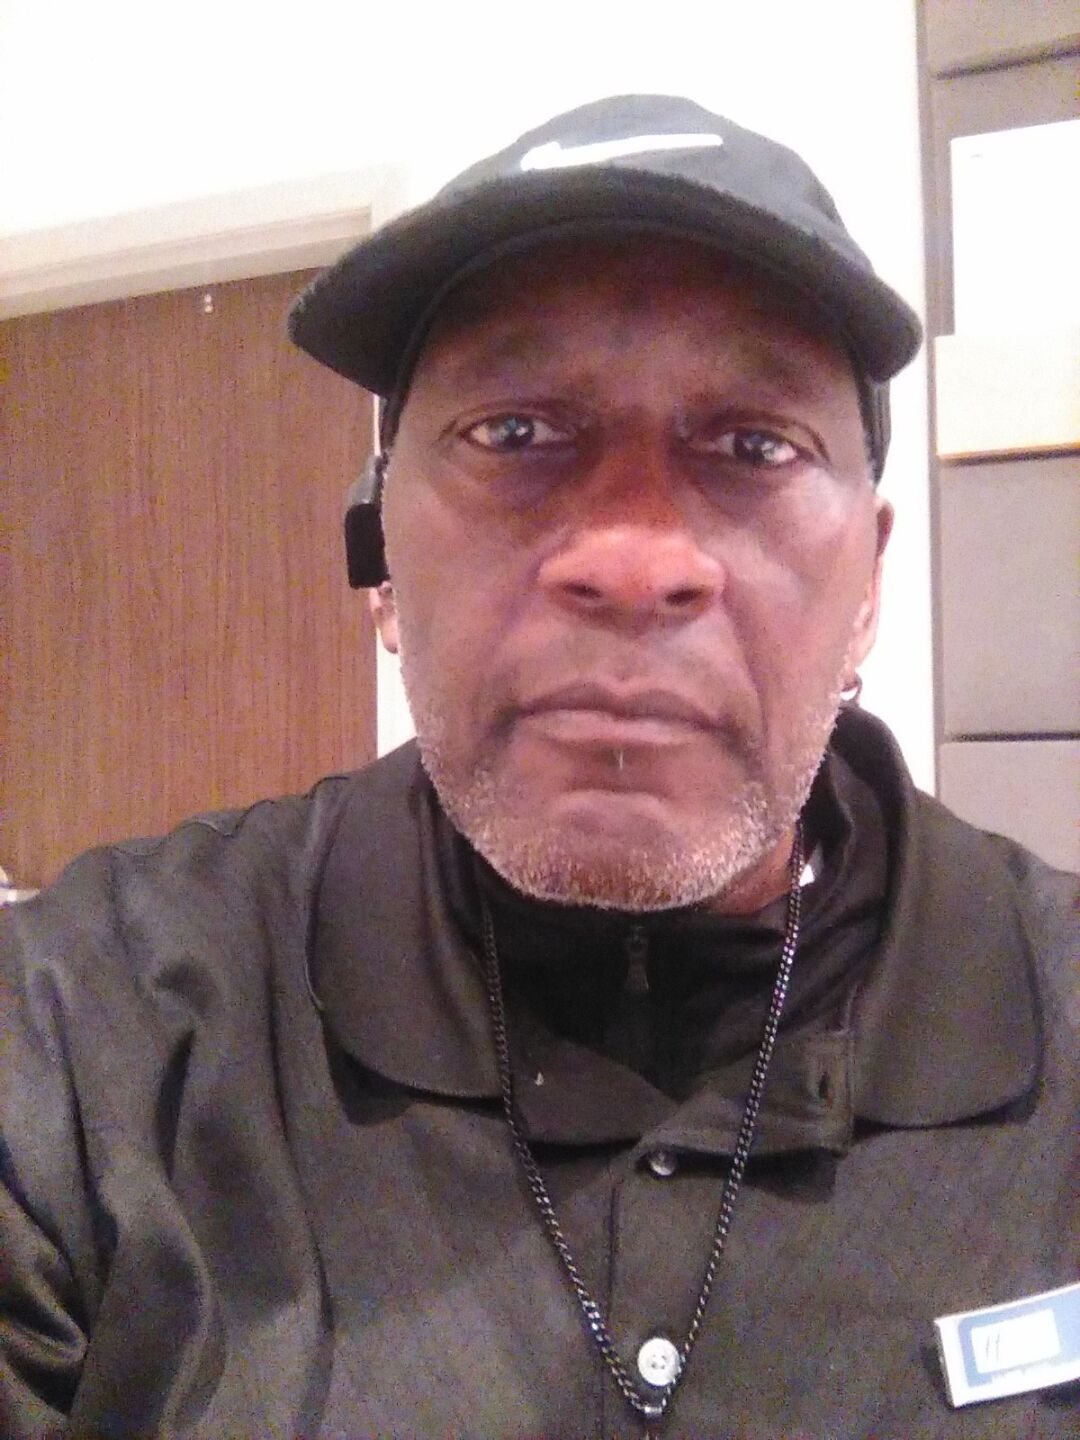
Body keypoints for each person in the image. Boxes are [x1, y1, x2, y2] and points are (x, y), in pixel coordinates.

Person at [1, 95, 1076, 1439]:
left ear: (868, 582)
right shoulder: (78, 1038)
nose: (631, 559)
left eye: (754, 446)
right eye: (515, 434)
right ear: (379, 563)